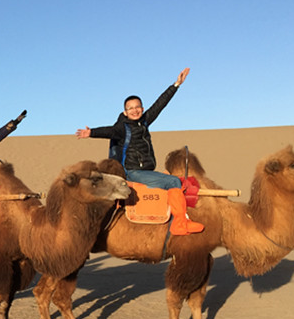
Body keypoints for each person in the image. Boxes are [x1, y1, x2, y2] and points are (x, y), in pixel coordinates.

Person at [74, 68, 203, 235]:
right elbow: (110, 131)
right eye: (131, 108)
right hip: (133, 172)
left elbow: (159, 104)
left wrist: (176, 85)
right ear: (125, 112)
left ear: (142, 108)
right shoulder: (122, 128)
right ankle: (180, 223)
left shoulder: (145, 121)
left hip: (146, 170)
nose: (135, 110)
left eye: (138, 107)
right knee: (173, 182)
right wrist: (91, 132)